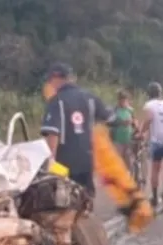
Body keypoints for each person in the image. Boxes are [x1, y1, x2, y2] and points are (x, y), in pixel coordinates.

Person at [40, 62, 114, 197]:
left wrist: (50, 164)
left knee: (66, 205)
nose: (50, 84)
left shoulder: (56, 101)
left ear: (57, 78)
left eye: (50, 80)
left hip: (65, 165)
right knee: (86, 202)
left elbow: (53, 134)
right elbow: (109, 118)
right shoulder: (90, 97)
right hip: (87, 161)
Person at [139, 82, 163, 207]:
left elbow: (149, 120)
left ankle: (155, 197)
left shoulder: (149, 105)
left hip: (158, 140)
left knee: (155, 169)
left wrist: (141, 133)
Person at [111, 90, 136, 171]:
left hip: (128, 138)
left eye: (125, 100)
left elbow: (135, 122)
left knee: (128, 161)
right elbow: (110, 122)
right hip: (117, 139)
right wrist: (121, 122)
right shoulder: (114, 110)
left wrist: (134, 123)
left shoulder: (130, 110)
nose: (123, 102)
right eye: (121, 100)